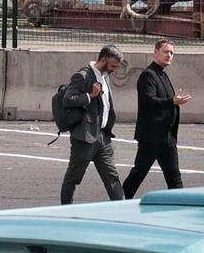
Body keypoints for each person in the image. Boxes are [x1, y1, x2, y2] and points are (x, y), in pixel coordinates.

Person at [122, 39, 192, 198]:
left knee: (174, 177)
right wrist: (172, 101)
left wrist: (173, 101)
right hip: (152, 137)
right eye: (166, 51)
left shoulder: (163, 75)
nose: (169, 55)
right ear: (155, 52)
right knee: (138, 174)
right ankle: (119, 202)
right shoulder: (148, 75)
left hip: (167, 137)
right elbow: (148, 101)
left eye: (172, 53)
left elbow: (165, 102)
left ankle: (180, 209)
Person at [59, 45, 125, 205]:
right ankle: (65, 209)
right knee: (73, 178)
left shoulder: (104, 77)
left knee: (112, 177)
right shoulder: (82, 76)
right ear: (103, 60)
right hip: (84, 136)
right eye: (113, 66)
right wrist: (90, 96)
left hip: (103, 137)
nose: (114, 71)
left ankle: (122, 210)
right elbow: (67, 100)